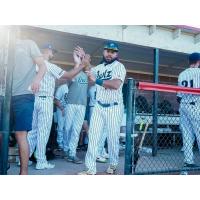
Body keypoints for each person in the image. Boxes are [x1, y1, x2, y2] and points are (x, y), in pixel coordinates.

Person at [27, 45, 87, 170]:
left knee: (32, 132)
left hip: (32, 99)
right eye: (52, 52)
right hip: (45, 100)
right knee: (43, 132)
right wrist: (79, 64)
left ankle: (25, 159)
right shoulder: (48, 65)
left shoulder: (31, 63)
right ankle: (41, 161)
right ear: (48, 52)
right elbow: (68, 75)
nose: (52, 54)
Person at [79, 41, 126, 175]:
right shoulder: (99, 67)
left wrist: (97, 80)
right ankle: (90, 169)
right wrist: (84, 58)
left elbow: (116, 84)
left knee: (112, 138)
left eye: (113, 51)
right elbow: (89, 71)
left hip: (114, 107)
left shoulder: (119, 67)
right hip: (99, 106)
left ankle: (113, 164)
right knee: (93, 137)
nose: (109, 53)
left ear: (116, 54)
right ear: (103, 52)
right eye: (107, 50)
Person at [12, 35, 47, 175]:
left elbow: (42, 65)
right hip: (3, 95)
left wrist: (37, 80)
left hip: (23, 95)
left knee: (21, 134)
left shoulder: (28, 43)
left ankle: (24, 173)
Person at [63, 53, 90, 164]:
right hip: (71, 104)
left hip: (82, 105)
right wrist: (78, 62)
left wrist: (85, 62)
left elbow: (90, 72)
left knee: (76, 129)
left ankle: (72, 153)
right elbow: (71, 77)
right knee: (67, 128)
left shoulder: (87, 75)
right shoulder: (73, 72)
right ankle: (65, 149)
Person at [178, 52, 200, 168]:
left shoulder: (182, 74)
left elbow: (178, 97)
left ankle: (188, 160)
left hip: (183, 106)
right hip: (195, 106)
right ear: (198, 62)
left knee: (187, 135)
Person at [88, 85, 109, 163]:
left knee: (102, 132)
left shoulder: (92, 88)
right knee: (99, 132)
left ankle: (100, 151)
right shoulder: (100, 87)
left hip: (96, 107)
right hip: (97, 108)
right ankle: (96, 154)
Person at [54, 83, 69, 150]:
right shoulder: (62, 87)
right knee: (61, 127)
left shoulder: (74, 87)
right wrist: (62, 108)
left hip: (70, 109)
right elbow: (56, 100)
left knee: (68, 127)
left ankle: (66, 144)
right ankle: (60, 144)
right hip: (61, 109)